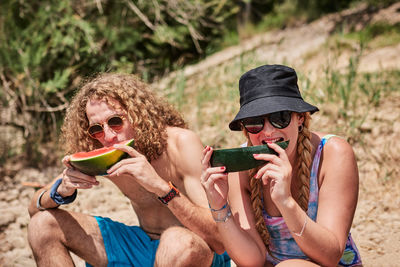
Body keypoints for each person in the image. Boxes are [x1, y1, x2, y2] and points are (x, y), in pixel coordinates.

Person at [27, 73, 230, 267]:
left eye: (115, 122)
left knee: (176, 241)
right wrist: (60, 191)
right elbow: (34, 209)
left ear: (137, 114)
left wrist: (161, 188)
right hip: (141, 247)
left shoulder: (180, 144)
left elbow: (219, 239)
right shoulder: (103, 154)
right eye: (96, 129)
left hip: (197, 251)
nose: (108, 136)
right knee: (41, 225)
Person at [200, 64, 362, 266]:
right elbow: (251, 261)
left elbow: (330, 256)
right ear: (245, 129)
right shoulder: (241, 166)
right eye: (254, 122)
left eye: (280, 118)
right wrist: (219, 207)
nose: (267, 131)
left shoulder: (333, 154)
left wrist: (285, 202)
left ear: (300, 118)